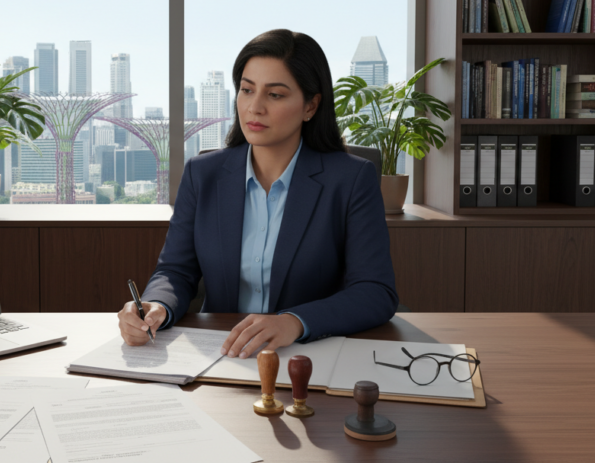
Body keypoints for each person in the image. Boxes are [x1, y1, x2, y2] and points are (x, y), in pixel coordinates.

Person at [117, 29, 397, 359]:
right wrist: (157, 306)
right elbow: (175, 271)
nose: (254, 107)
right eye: (247, 90)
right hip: (221, 353)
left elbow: (375, 291)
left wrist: (295, 321)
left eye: (275, 95)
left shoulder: (350, 180)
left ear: (311, 105)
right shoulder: (202, 174)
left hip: (309, 356)